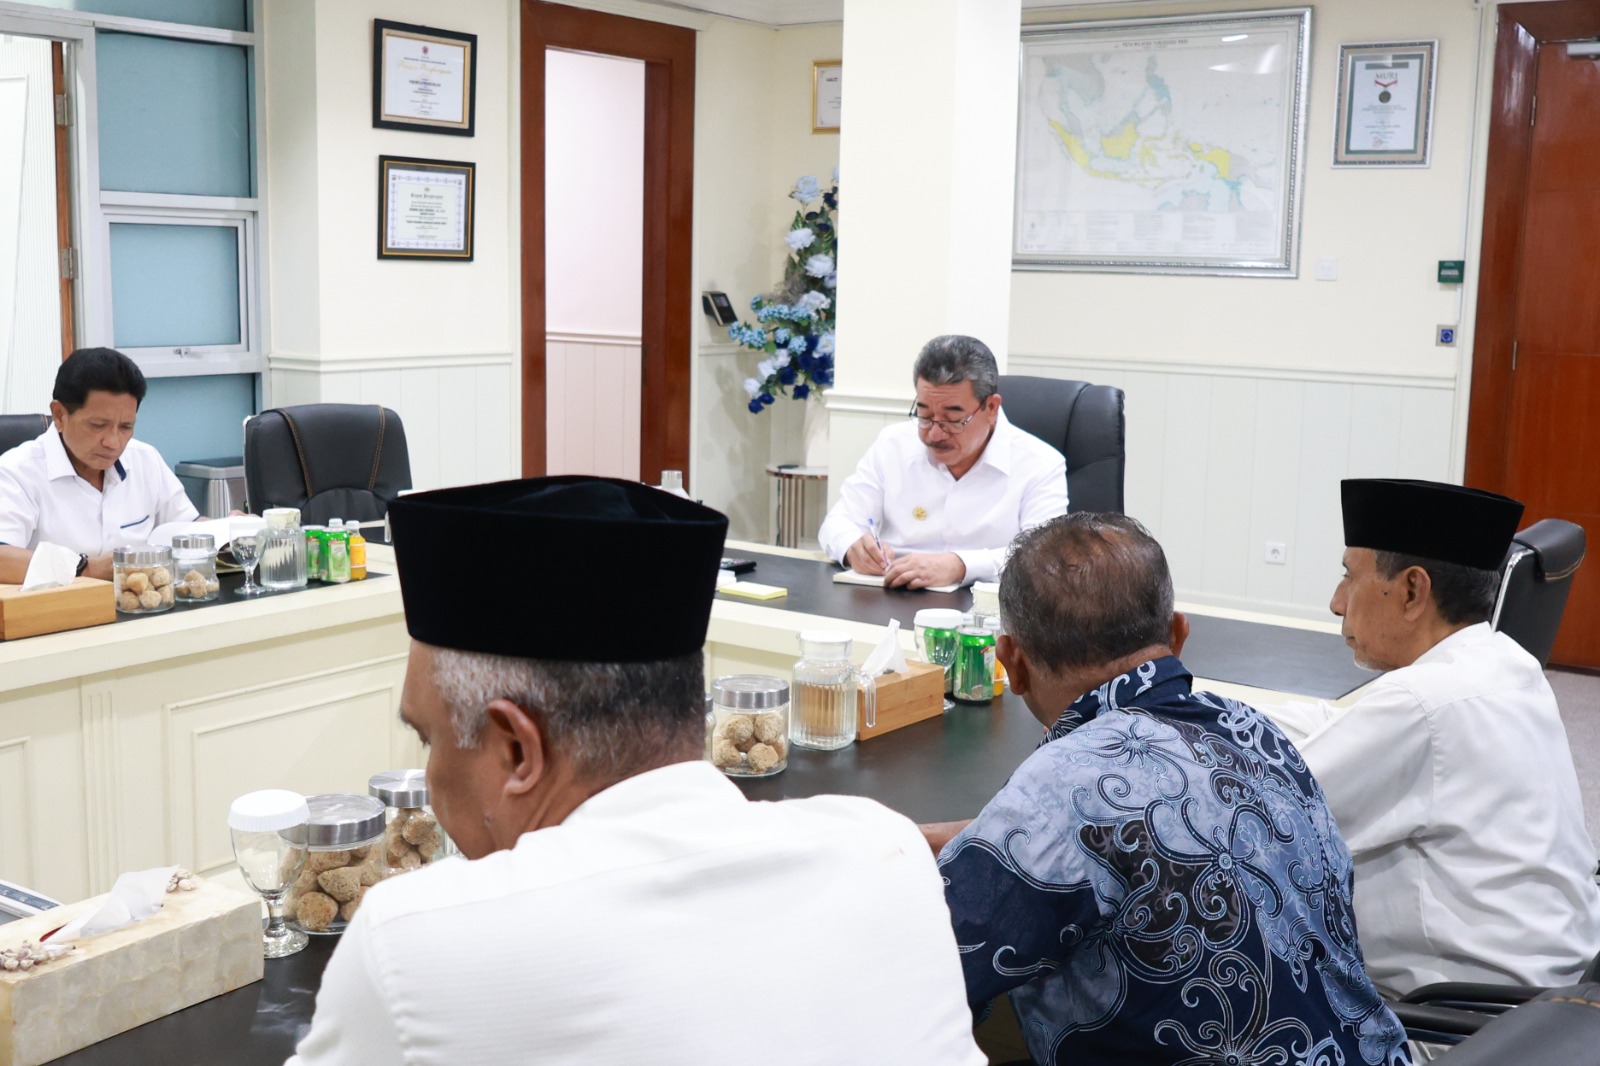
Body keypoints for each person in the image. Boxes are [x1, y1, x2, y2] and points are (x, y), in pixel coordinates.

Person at [288, 476, 986, 1066]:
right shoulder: (887, 854)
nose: (431, 774)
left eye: (429, 739)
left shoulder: (415, 946)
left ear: (518, 751)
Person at [925, 513, 1408, 1066]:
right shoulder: (1259, 734)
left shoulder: (1061, 788)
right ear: (1178, 634)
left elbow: (927, 968)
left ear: (1011, 661)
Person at [1268, 478, 1600, 997]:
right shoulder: (1508, 663)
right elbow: (1336, 726)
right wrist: (1221, 712)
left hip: (1461, 1020)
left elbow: (1271, 811)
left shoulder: (1422, 705)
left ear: (1412, 591)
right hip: (1554, 995)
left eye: (1349, 576)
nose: (1336, 602)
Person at [817, 334, 1066, 589]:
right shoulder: (893, 445)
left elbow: (1043, 557)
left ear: (991, 408)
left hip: (983, 604)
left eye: (953, 419)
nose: (934, 435)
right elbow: (837, 522)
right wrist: (852, 546)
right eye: (924, 415)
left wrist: (961, 565)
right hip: (891, 594)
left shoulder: (1040, 464)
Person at [0, 347, 197, 584]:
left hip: (141, 603)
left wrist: (229, 530)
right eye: (98, 425)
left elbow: (186, 527)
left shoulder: (145, 458)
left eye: (125, 427)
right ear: (60, 415)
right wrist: (84, 568)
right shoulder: (15, 472)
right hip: (58, 606)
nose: (113, 442)